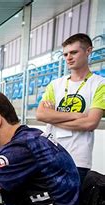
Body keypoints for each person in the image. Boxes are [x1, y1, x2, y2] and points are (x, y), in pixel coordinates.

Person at [36, 33, 105, 184]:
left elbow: (90, 123)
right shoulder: (55, 84)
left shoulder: (100, 85)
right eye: (65, 54)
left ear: (88, 51)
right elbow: (40, 114)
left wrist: (53, 117)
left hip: (77, 160)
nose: (68, 57)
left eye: (74, 52)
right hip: (49, 155)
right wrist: (77, 115)